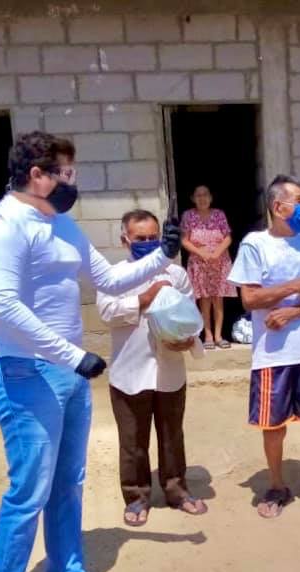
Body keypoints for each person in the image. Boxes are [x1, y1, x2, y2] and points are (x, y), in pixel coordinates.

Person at [0, 131, 181, 572]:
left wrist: (163, 255)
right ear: (37, 174)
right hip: (22, 373)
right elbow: (5, 307)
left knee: (68, 483)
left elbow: (108, 279)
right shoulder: (3, 225)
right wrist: (73, 355)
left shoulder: (61, 223)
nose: (74, 181)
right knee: (29, 491)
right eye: (66, 173)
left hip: (66, 376)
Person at [227, 175, 300, 519]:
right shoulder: (255, 244)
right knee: (273, 425)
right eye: (299, 201)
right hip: (272, 354)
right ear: (279, 207)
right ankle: (277, 486)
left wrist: (292, 312)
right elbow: (249, 299)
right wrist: (293, 287)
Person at [97, 210, 208, 526]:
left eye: (153, 237)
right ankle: (136, 496)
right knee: (132, 441)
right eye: (140, 238)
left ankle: (176, 489)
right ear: (125, 240)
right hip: (129, 372)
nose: (148, 243)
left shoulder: (176, 274)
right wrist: (147, 297)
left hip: (169, 369)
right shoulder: (114, 276)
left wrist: (189, 341)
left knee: (172, 435)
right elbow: (107, 312)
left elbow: (189, 315)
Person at [180, 185, 237, 349]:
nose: (202, 198)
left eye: (205, 194)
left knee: (218, 298)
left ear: (211, 198)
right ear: (193, 199)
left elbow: (227, 237)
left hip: (220, 261)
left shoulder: (219, 214)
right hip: (199, 262)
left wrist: (217, 252)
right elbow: (184, 240)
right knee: (204, 299)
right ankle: (208, 336)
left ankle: (219, 335)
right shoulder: (188, 215)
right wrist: (202, 253)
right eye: (198, 195)